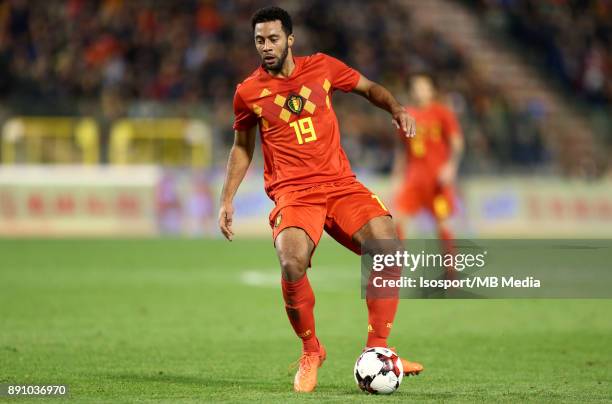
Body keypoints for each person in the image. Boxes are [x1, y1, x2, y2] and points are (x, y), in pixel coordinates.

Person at [218, 6, 423, 393]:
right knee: (291, 260)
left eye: (273, 39)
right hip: (293, 193)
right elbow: (242, 146)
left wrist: (396, 108)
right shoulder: (247, 93)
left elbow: (368, 88)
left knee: (388, 247)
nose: (266, 46)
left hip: (340, 184)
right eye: (259, 40)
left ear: (290, 39)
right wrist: (227, 198)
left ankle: (378, 351)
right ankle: (311, 351)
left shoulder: (323, 67)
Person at [392, 73, 464, 261]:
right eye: (416, 87)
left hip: (437, 179)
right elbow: (402, 148)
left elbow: (457, 142)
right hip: (414, 178)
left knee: (443, 223)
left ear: (432, 90)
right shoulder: (406, 115)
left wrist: (451, 166)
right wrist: (397, 174)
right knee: (398, 218)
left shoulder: (442, 112)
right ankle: (394, 267)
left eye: (423, 86)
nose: (419, 90)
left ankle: (451, 271)